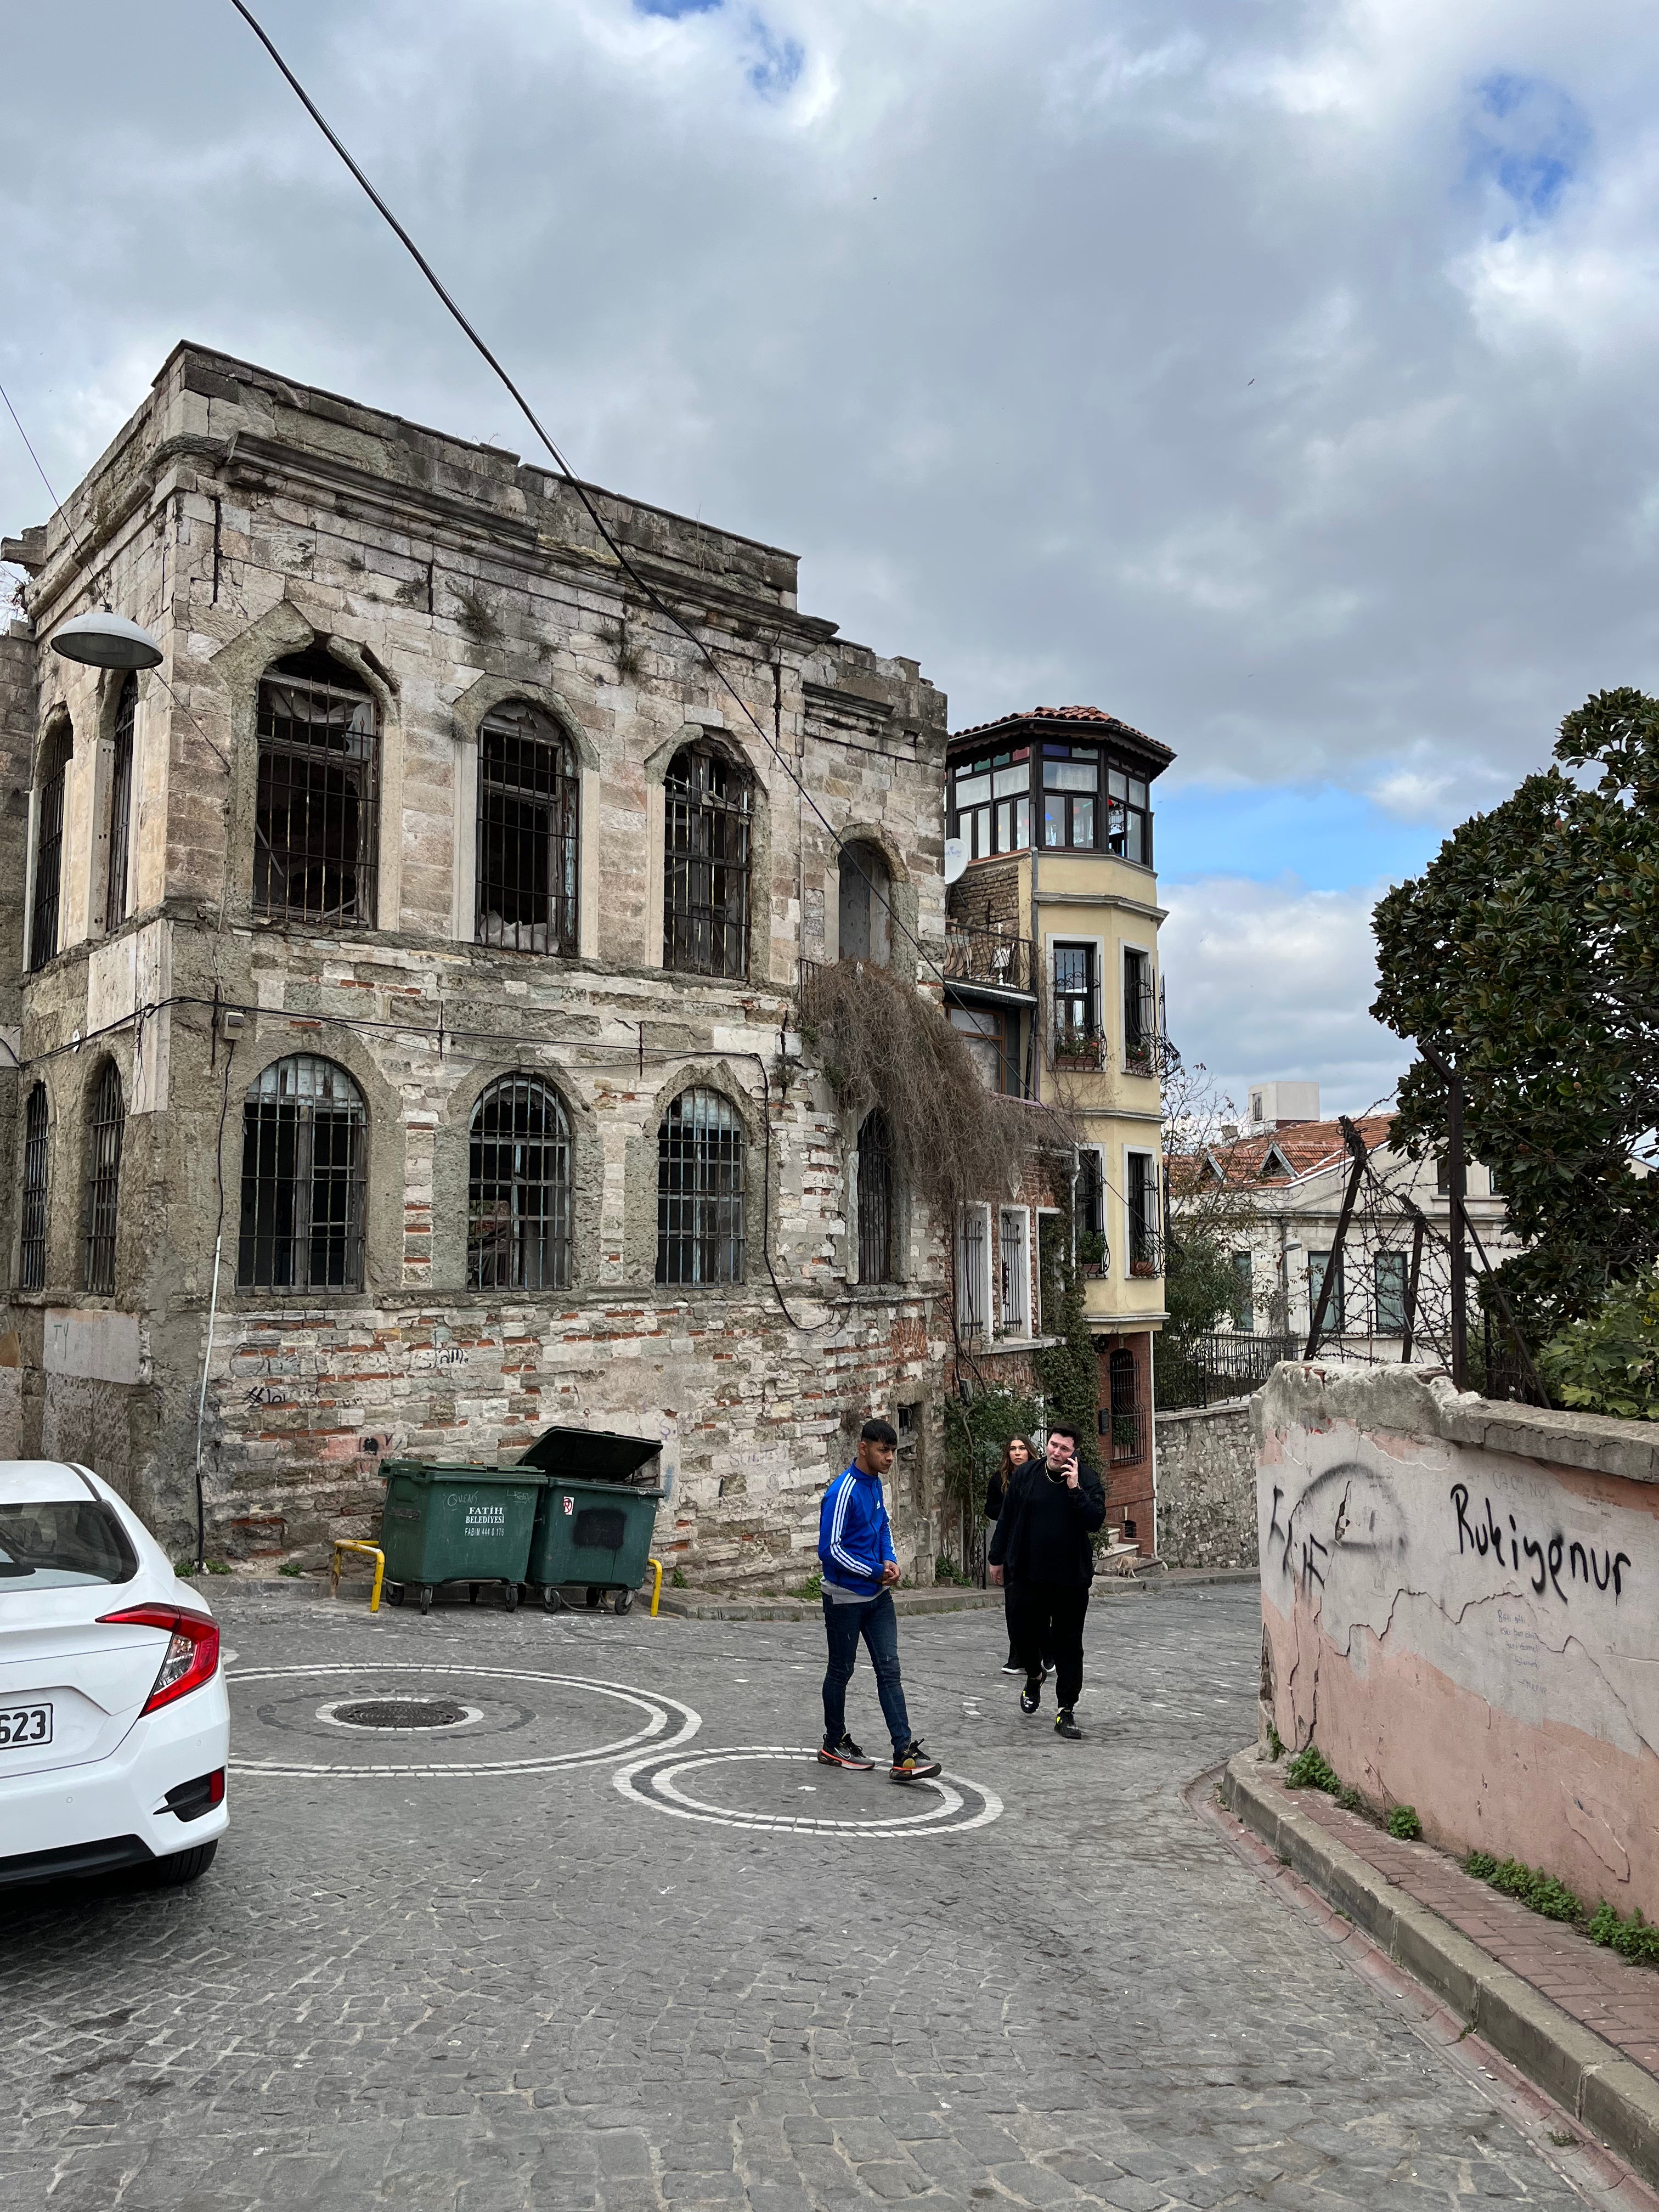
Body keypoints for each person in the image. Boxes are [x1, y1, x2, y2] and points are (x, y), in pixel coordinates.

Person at [816, 1418, 942, 1782]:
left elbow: (883, 1524)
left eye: (893, 1451)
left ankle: (904, 1752)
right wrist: (873, 1571)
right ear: (863, 1449)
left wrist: (889, 1559)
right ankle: (833, 1742)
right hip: (844, 1599)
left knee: (890, 1670)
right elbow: (830, 1550)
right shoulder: (842, 1492)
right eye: (883, 1451)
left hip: (878, 1599)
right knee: (841, 1670)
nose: (890, 1458)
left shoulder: (875, 1486)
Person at [987, 1424, 1105, 1740]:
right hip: (1027, 1573)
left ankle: (1066, 1709)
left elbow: (1095, 1521)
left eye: (1064, 1449)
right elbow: (1008, 1517)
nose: (1056, 1452)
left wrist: (1075, 1490)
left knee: (1069, 1646)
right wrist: (996, 1558)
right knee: (1021, 1631)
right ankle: (1035, 1674)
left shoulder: (1088, 1480)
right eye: (1053, 1445)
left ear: (1074, 1452)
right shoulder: (1026, 1474)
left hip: (1070, 1580)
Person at [984, 1436, 1040, 1675]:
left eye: (1022, 1449)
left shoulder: (1041, 1476)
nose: (1017, 1453)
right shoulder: (1000, 1479)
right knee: (1014, 1605)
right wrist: (1011, 1506)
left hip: (1037, 1546)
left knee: (1039, 1604)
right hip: (1010, 1546)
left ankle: (1043, 1654)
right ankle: (1017, 1657)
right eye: (1012, 1449)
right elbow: (991, 1509)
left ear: (1029, 1452)